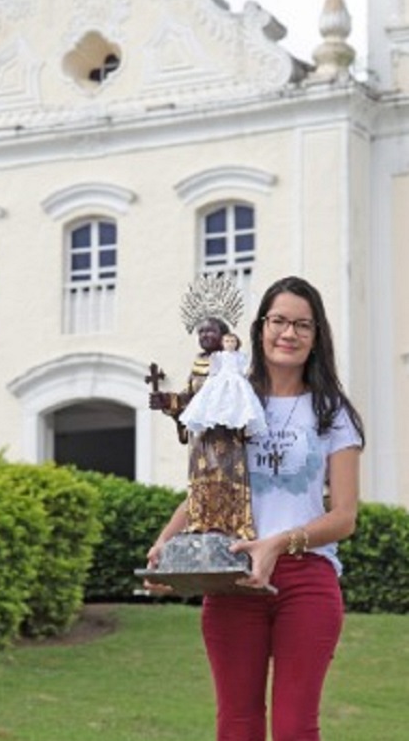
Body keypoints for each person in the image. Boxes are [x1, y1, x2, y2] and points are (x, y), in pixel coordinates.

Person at [147, 276, 365, 740]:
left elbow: (345, 516)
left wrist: (278, 544)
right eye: (279, 320)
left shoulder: (332, 412)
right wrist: (166, 544)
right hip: (232, 578)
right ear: (260, 327)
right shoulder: (229, 395)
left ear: (317, 336)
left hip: (307, 581)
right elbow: (208, 486)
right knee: (237, 724)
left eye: (302, 325)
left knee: (293, 728)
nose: (289, 333)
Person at [150, 316, 256, 540]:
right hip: (201, 438)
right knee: (202, 477)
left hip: (226, 436)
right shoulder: (198, 365)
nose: (205, 335)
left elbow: (243, 394)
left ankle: (230, 523)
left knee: (225, 475)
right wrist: (167, 401)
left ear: (225, 336)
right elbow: (188, 398)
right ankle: (200, 521)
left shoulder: (233, 363)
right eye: (201, 332)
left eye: (210, 331)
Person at [179, 332, 267, 438]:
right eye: (227, 341)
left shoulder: (240, 356)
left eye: (232, 341)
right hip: (221, 380)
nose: (230, 344)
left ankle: (240, 424)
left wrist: (246, 374)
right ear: (222, 343)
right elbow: (214, 371)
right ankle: (207, 421)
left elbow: (244, 370)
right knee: (214, 400)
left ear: (237, 343)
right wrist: (210, 382)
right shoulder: (218, 356)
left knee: (240, 401)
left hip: (237, 381)